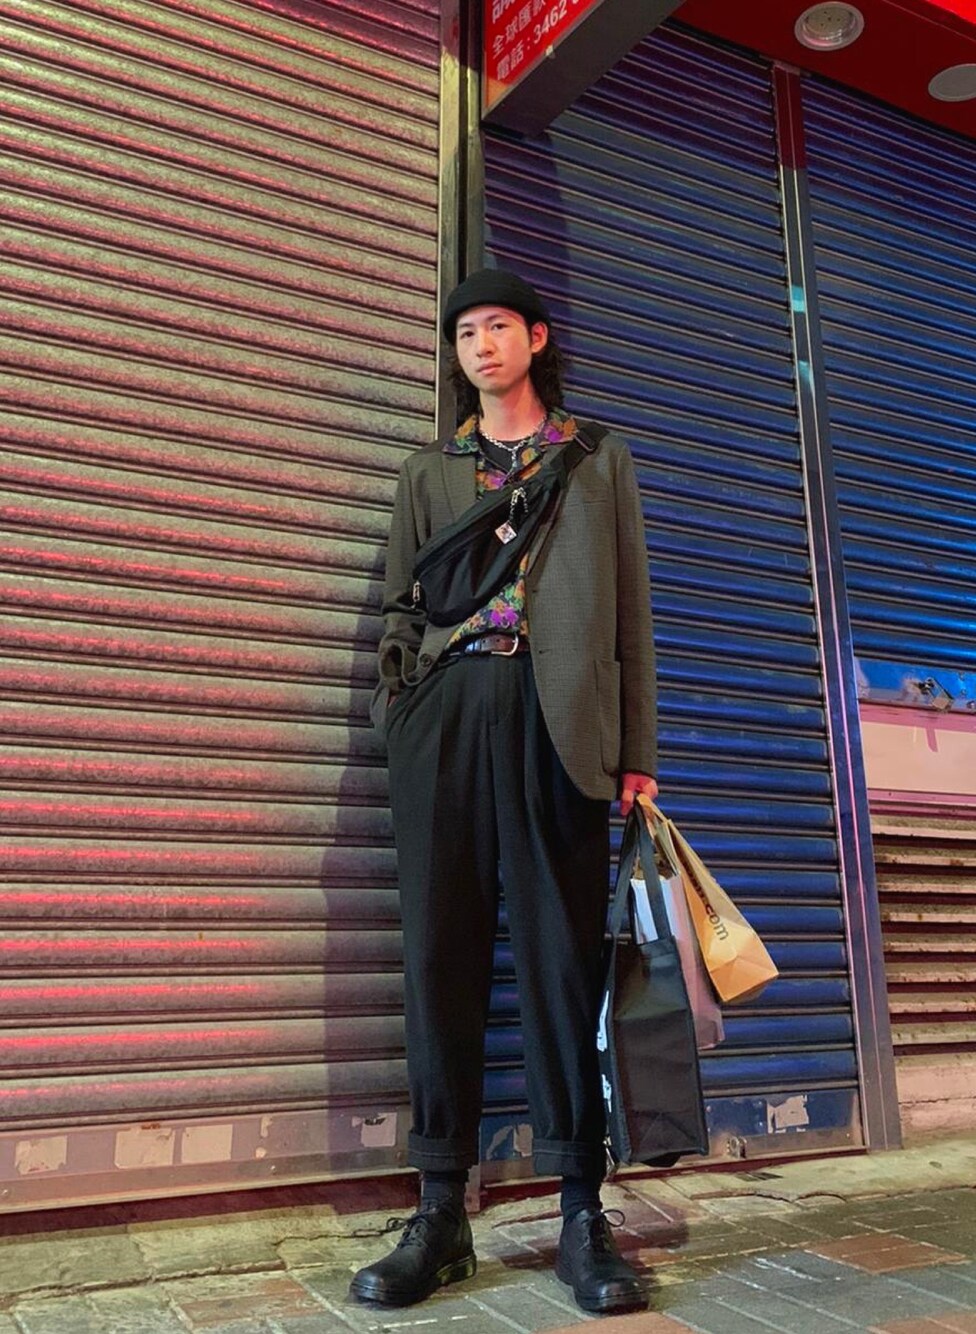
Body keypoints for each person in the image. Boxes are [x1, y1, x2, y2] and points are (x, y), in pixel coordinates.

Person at [353, 268, 659, 1314]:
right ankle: (439, 1211)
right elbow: (398, 605)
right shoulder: (428, 472)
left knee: (562, 965)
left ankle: (580, 1211)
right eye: (463, 333)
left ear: (536, 337)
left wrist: (636, 748)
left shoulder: (597, 457)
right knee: (438, 957)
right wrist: (400, 709)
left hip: (558, 722)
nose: (479, 345)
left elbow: (630, 614)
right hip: (444, 719)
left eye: (496, 327)